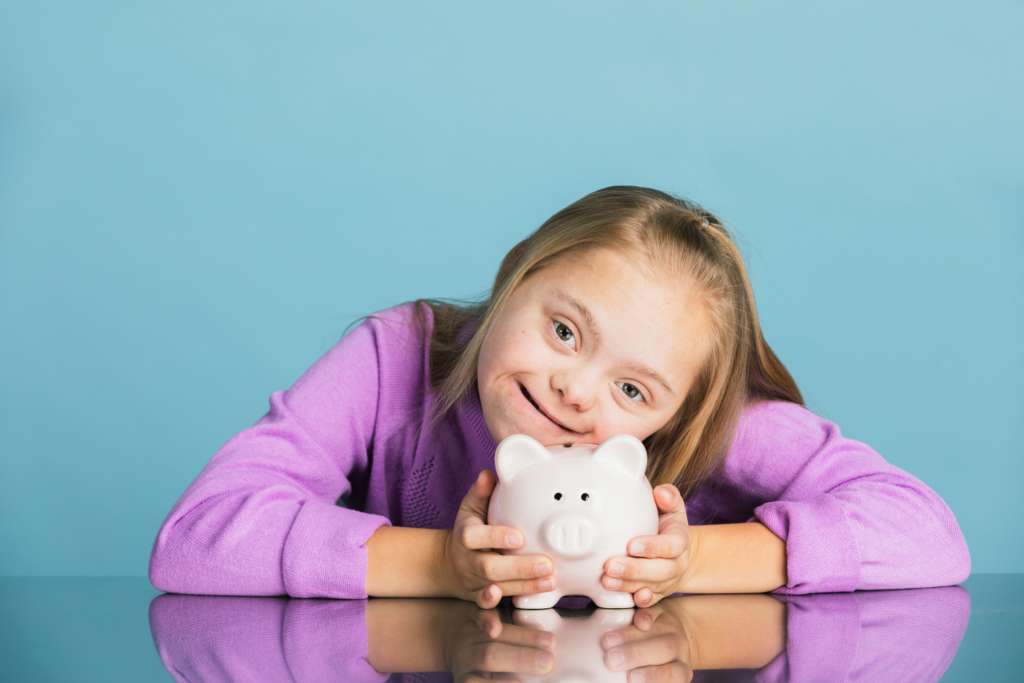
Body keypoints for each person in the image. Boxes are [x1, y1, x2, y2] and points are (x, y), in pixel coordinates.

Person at [149, 186, 970, 607]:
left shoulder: (717, 426)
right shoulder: (398, 355)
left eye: (632, 388)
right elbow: (193, 540)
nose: (573, 390)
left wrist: (679, 567)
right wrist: (442, 562)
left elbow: (930, 536)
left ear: (675, 414)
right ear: (515, 277)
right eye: (565, 331)